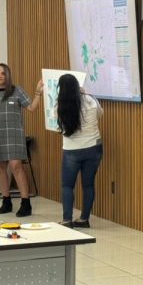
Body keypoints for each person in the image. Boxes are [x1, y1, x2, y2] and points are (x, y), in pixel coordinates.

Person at [0, 63, 44, 217]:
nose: (0, 76)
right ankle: (6, 201)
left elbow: (32, 108)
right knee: (0, 167)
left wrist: (38, 92)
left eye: (3, 73)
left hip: (14, 135)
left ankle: (25, 203)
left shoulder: (17, 91)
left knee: (16, 166)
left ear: (8, 76)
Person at [57, 73, 103, 228]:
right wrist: (85, 94)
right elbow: (100, 114)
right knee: (88, 185)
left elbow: (58, 126)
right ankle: (84, 219)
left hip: (72, 150)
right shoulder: (91, 99)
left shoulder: (59, 105)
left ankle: (67, 220)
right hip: (94, 147)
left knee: (67, 185)